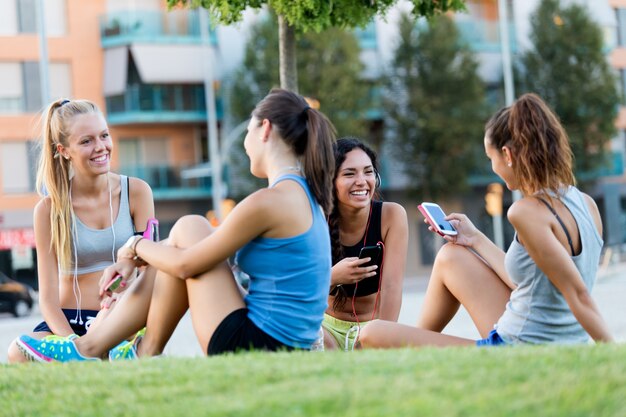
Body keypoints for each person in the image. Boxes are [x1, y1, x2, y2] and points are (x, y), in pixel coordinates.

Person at [16, 88, 336, 362]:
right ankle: (135, 353)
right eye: (87, 140)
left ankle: (100, 349)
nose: (245, 141)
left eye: (249, 131)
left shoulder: (269, 200)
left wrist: (135, 246)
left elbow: (185, 264)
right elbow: (195, 258)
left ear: (264, 129)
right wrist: (137, 255)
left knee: (187, 228)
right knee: (185, 233)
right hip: (277, 339)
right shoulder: (301, 194)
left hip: (256, 343)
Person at [359, 93, 613, 348]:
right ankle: (415, 349)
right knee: (451, 257)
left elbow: (578, 294)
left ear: (507, 154)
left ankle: (410, 348)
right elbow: (539, 283)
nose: (493, 168)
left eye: (491, 158)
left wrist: (612, 353)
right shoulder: (586, 204)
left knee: (372, 333)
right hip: (555, 336)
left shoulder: (525, 211)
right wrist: (475, 239)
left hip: (518, 345)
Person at [7, 99, 154, 363]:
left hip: (122, 318)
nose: (100, 147)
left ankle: (112, 348)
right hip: (68, 324)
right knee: (16, 354)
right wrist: (72, 343)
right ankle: (86, 352)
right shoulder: (48, 210)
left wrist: (128, 323)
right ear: (64, 150)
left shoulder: (137, 192)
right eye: (86, 141)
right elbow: (48, 301)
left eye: (104, 136)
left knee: (125, 344)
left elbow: (150, 272)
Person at [322, 138, 407, 351]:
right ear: (330, 181)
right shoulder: (316, 220)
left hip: (373, 327)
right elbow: (300, 290)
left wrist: (382, 338)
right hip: (326, 328)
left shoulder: (392, 215)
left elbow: (391, 288)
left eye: (368, 172)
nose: (361, 181)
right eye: (350, 174)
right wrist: (333, 277)